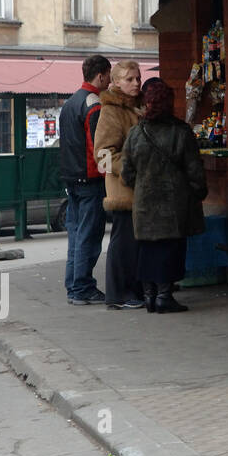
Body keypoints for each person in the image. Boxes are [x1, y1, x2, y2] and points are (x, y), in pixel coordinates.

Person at [122, 78, 206, 313]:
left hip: (144, 205)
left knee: (147, 249)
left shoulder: (136, 133)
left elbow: (126, 173)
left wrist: (142, 186)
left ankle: (149, 296)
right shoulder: (181, 132)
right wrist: (199, 190)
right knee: (169, 250)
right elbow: (194, 170)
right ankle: (164, 296)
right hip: (173, 205)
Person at [59, 54, 111, 305]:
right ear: (101, 75)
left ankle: (73, 285)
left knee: (76, 235)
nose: (110, 82)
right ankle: (82, 287)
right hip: (90, 180)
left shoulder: (69, 103)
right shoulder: (93, 104)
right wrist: (108, 172)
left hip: (71, 179)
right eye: (109, 76)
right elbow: (97, 145)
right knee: (89, 237)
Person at [96, 61, 145, 310]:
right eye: (129, 79)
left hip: (140, 188)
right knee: (123, 241)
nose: (136, 83)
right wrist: (130, 169)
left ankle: (133, 290)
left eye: (138, 78)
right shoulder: (111, 110)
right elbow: (102, 154)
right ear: (115, 82)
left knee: (135, 241)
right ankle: (118, 294)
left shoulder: (138, 107)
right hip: (123, 188)